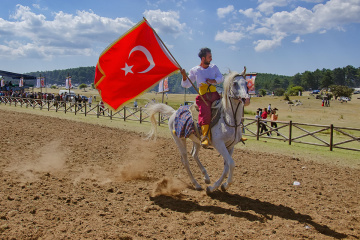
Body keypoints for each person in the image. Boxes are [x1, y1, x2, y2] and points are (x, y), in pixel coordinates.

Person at [180, 47, 224, 148]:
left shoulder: (214, 67)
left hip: (215, 95)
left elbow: (221, 77)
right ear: (203, 58)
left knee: (228, 107)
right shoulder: (195, 70)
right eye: (209, 57)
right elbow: (186, 84)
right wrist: (184, 76)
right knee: (206, 113)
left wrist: (213, 81)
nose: (211, 59)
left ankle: (235, 133)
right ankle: (205, 137)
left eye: (211, 57)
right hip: (203, 97)